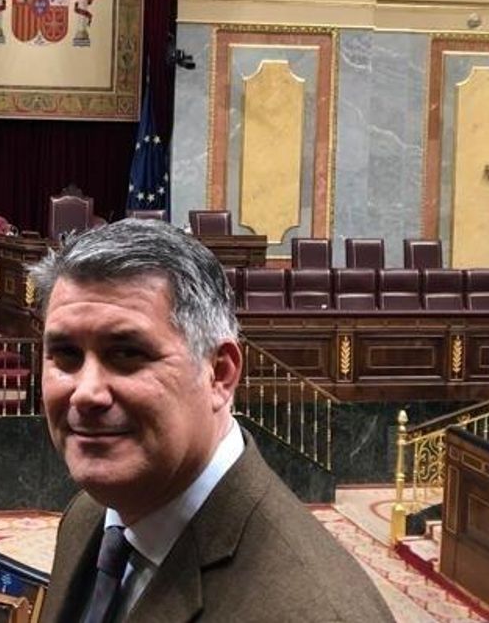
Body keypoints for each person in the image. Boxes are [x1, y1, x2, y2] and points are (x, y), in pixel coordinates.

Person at [32, 220, 394, 623]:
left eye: (127, 354)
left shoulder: (317, 612)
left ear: (219, 373)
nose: (87, 392)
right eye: (66, 355)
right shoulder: (89, 517)